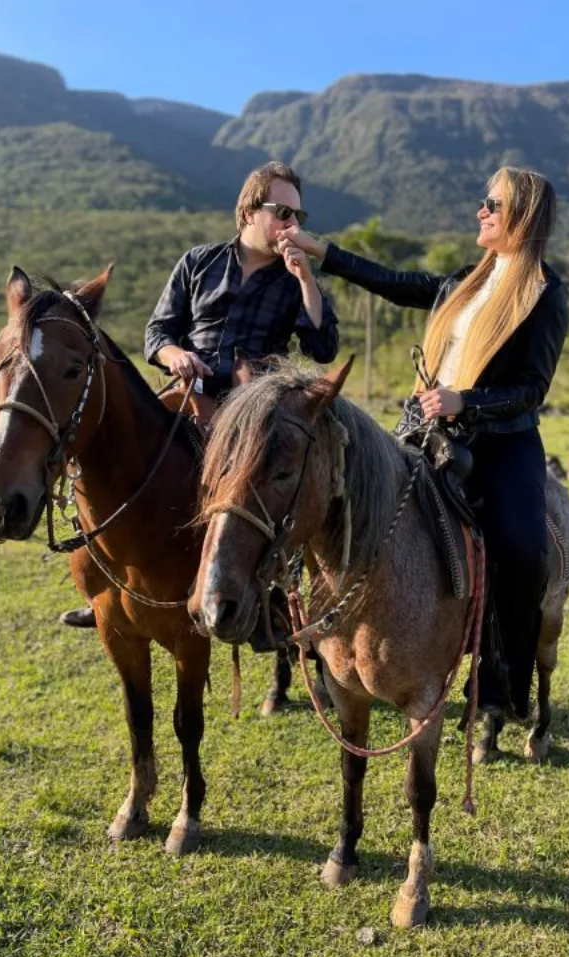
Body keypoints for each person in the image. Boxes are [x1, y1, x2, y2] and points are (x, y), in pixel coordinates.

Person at [279, 166, 568, 761]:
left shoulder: (544, 293)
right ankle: (321, 639)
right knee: (345, 507)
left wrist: (468, 400)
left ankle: (499, 685)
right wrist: (321, 252)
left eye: (492, 203)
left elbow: (532, 389)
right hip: (427, 432)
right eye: (483, 201)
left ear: (523, 214)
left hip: (501, 441)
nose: (480, 212)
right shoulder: (465, 282)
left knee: (520, 544)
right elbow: (394, 281)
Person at [60, 160, 338, 628]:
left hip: (252, 407)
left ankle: (265, 596)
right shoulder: (198, 261)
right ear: (250, 211)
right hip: (187, 390)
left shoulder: (296, 280)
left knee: (250, 487)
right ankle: (109, 583)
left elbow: (323, 346)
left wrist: (307, 279)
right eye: (282, 212)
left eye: (298, 217)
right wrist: (175, 356)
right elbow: (157, 332)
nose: (292, 225)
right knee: (116, 456)